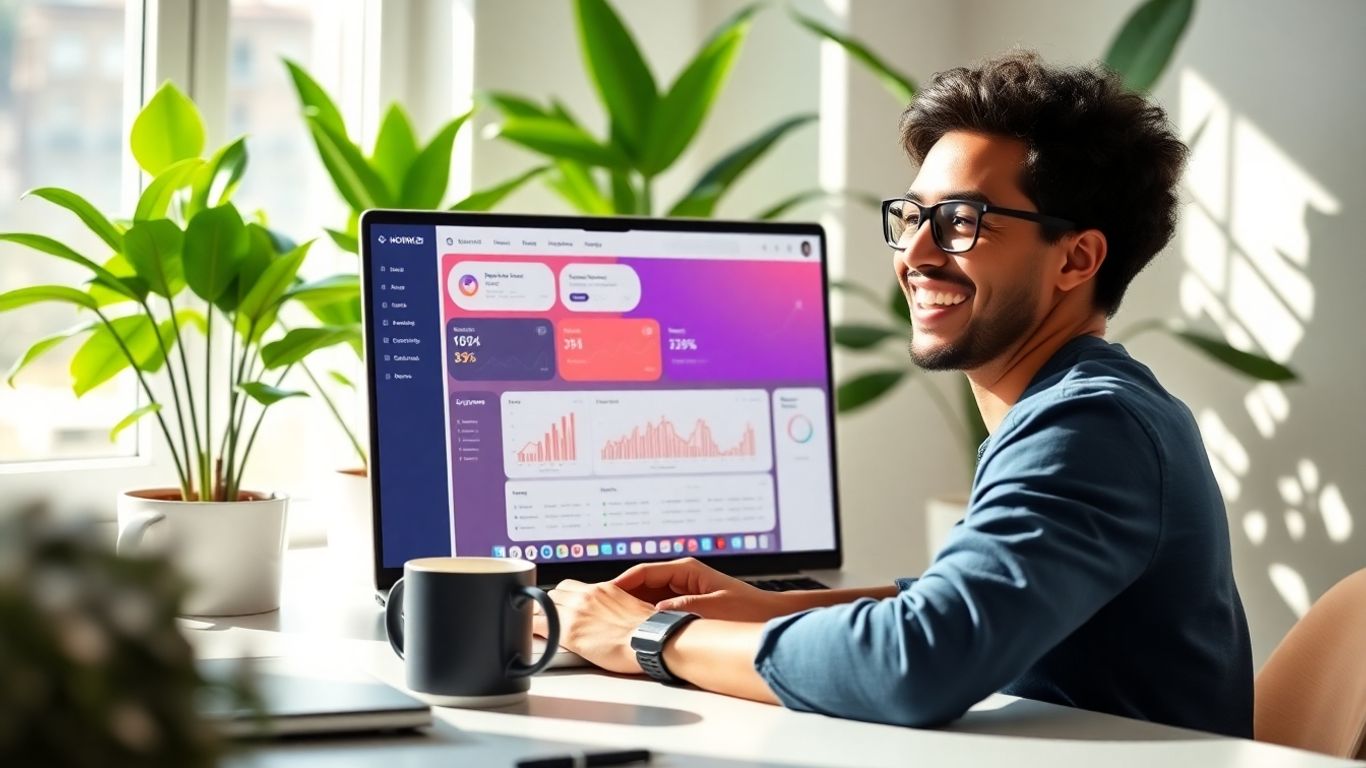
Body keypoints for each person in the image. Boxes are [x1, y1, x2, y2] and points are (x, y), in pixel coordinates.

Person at [533, 50, 1254, 738]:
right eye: (912, 217)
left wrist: (648, 636)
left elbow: (917, 661)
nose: (913, 254)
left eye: (961, 222)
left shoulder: (1091, 423)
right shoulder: (1085, 403)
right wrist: (773, 606)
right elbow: (969, 598)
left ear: (1076, 258)